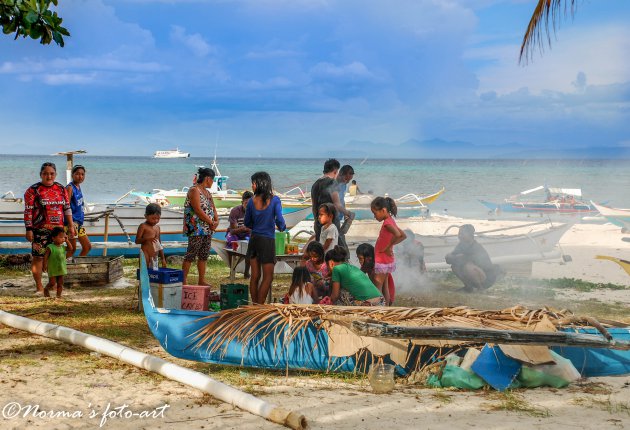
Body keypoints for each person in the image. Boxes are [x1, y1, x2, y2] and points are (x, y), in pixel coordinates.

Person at [24, 162, 75, 294]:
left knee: (57, 256)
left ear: (56, 174)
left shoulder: (61, 188)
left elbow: (67, 208)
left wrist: (70, 225)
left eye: (51, 173)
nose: (49, 176)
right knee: (38, 257)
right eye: (45, 173)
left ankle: (53, 283)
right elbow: (28, 211)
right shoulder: (33, 190)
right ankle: (39, 286)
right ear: (41, 174)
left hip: (58, 230)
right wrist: (28, 229)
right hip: (39, 229)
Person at [244, 171, 286, 304]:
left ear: (259, 184)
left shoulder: (251, 201)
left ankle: (254, 305)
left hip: (254, 240)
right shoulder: (275, 200)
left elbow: (247, 223)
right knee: (268, 277)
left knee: (255, 276)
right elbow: (280, 221)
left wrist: (257, 224)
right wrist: (281, 227)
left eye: (253, 183)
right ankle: (259, 305)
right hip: (267, 241)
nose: (252, 186)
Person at [182, 167, 219, 286]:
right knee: (191, 254)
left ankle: (201, 280)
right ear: (207, 179)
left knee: (204, 254)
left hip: (207, 228)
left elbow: (213, 208)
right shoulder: (194, 190)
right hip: (196, 228)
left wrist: (216, 220)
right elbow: (197, 210)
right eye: (212, 180)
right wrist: (211, 222)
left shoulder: (207, 193)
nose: (213, 183)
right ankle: (183, 280)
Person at [310, 159, 353, 251]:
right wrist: (348, 213)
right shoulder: (332, 183)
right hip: (331, 222)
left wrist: (317, 221)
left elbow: (314, 207)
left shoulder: (315, 185)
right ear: (335, 171)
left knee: (320, 250)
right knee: (335, 250)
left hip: (318, 223)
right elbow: (337, 204)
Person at [371, 196, 407, 306]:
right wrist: (389, 246)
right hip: (386, 259)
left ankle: (378, 308)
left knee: (378, 285)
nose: (374, 216)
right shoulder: (391, 221)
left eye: (375, 213)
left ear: (383, 210)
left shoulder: (387, 223)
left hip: (382, 259)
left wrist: (388, 247)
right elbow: (403, 235)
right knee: (385, 285)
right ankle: (386, 307)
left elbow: (398, 235)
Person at [445, 224, 501, 292]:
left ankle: (480, 289)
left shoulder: (476, 247)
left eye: (462, 234)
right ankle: (468, 287)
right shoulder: (461, 245)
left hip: (487, 279)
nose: (460, 236)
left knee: (468, 267)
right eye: (459, 234)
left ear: (470, 235)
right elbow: (448, 259)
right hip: (477, 275)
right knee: (455, 266)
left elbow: (462, 259)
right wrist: (451, 256)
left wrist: (454, 257)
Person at [65, 164, 91, 258]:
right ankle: (62, 268)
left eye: (82, 174)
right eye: (77, 174)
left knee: (87, 247)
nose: (80, 176)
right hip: (72, 223)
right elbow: (66, 207)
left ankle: (77, 265)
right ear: (72, 175)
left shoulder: (78, 187)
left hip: (79, 223)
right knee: (72, 249)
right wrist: (70, 225)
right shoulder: (70, 188)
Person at [226, 191, 253, 278]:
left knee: (250, 246)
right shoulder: (235, 211)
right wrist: (242, 229)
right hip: (235, 233)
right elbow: (233, 230)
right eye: (246, 203)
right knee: (231, 245)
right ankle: (232, 271)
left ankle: (246, 272)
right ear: (242, 203)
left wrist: (248, 229)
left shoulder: (255, 212)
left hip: (247, 233)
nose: (248, 206)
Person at [136, 203, 167, 270]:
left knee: (154, 275)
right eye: (153, 218)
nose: (156, 220)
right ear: (146, 216)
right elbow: (137, 240)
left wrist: (163, 258)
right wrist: (146, 239)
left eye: (158, 218)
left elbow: (159, 244)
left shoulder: (157, 228)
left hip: (155, 255)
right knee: (144, 273)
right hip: (145, 253)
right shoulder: (143, 226)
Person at [42, 227, 70, 298]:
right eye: (60, 237)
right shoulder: (50, 247)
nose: (63, 239)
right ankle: (46, 289)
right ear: (53, 238)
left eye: (63, 237)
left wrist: (67, 241)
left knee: (60, 283)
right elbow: (45, 257)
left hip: (61, 267)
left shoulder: (63, 247)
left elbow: (71, 248)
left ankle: (58, 296)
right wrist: (44, 265)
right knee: (52, 283)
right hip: (52, 268)